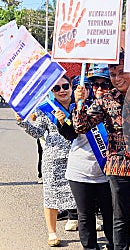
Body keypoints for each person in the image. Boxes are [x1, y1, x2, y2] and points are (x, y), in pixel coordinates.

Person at [73, 53, 130, 250]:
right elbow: (81, 127)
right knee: (121, 218)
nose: (117, 78)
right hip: (119, 165)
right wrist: (79, 102)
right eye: (113, 74)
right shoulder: (107, 99)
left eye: (122, 71)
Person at [16, 75, 77, 247]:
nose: (62, 91)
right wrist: (23, 122)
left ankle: (82, 222)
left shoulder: (79, 106)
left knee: (81, 194)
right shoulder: (45, 109)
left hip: (77, 157)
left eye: (65, 86)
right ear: (51, 92)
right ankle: (52, 232)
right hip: (52, 159)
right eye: (56, 88)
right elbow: (37, 133)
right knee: (51, 196)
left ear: (71, 86)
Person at [55, 74, 114, 250]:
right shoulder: (78, 108)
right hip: (80, 171)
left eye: (104, 85)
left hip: (107, 170)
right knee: (85, 215)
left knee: (110, 214)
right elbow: (71, 134)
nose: (98, 88)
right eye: (94, 84)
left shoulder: (115, 106)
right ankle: (90, 247)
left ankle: (114, 245)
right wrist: (62, 123)